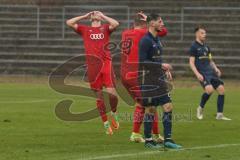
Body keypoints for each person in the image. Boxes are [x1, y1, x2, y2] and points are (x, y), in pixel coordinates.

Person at [66, 11, 120, 135]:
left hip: (106, 63)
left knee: (112, 95)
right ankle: (106, 123)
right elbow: (69, 22)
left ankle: (114, 112)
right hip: (92, 66)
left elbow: (116, 24)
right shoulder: (85, 29)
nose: (94, 13)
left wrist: (103, 15)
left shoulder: (105, 28)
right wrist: (84, 16)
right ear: (90, 18)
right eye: (93, 13)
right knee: (99, 96)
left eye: (97, 13)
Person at [121, 12, 167, 143]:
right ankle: (144, 134)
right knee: (149, 104)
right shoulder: (142, 34)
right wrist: (149, 18)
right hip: (137, 74)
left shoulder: (125, 33)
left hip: (125, 75)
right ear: (145, 24)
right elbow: (163, 31)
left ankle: (151, 134)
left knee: (144, 103)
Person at [138, 13, 182, 149]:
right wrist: (161, 66)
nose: (162, 24)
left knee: (168, 106)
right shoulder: (145, 40)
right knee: (150, 110)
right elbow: (142, 61)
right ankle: (149, 141)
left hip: (160, 79)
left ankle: (168, 139)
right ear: (152, 24)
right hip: (149, 80)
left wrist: (164, 69)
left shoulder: (157, 40)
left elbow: (157, 59)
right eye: (160, 21)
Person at [189, 26, 231, 121]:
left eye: (205, 33)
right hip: (202, 73)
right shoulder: (193, 47)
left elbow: (210, 60)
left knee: (221, 90)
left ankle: (219, 115)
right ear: (197, 34)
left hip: (211, 72)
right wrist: (197, 74)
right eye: (202, 33)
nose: (205, 35)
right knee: (209, 90)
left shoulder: (207, 47)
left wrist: (216, 68)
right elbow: (191, 62)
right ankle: (200, 108)